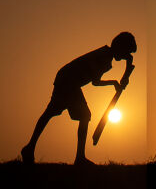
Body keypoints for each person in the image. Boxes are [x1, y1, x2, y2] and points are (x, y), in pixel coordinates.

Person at [20, 32, 136, 166]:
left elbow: (129, 58)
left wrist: (126, 73)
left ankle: (29, 148)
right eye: (123, 53)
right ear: (119, 47)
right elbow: (95, 82)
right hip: (69, 80)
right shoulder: (103, 57)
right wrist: (114, 83)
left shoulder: (106, 54)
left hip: (66, 78)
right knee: (83, 115)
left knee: (51, 112)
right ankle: (79, 158)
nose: (122, 58)